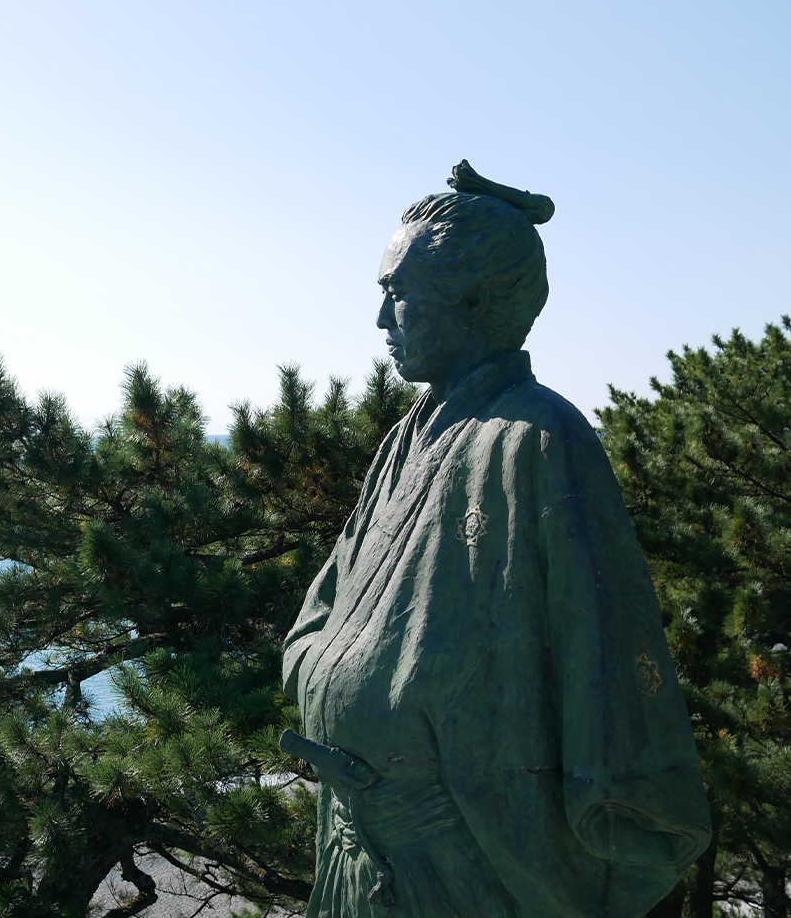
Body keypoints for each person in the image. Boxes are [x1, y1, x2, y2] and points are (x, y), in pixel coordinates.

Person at [281, 162, 711, 917]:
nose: (383, 322)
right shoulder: (402, 442)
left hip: (467, 861)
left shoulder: (542, 441)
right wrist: (324, 672)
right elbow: (327, 600)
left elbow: (601, 652)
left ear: (474, 299)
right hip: (355, 847)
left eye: (398, 295)